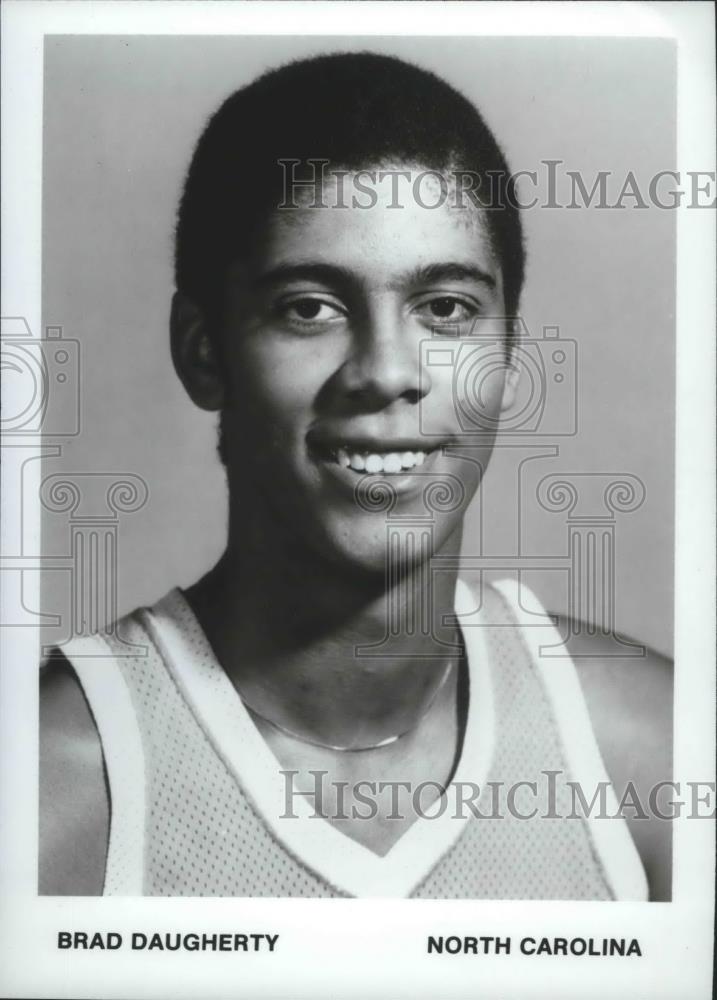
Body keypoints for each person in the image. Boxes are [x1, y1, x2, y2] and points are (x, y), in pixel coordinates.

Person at [39, 51, 672, 899]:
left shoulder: (647, 748)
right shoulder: (53, 779)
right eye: (310, 307)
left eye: (444, 308)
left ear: (509, 353)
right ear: (204, 352)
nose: (383, 371)